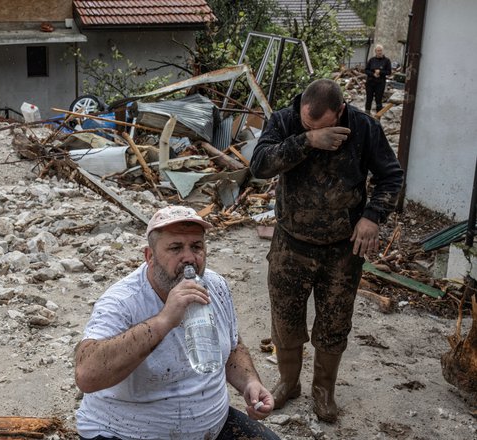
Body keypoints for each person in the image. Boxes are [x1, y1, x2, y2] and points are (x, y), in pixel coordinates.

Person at [249, 79, 404, 423]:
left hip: (342, 250)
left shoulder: (363, 128)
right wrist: (306, 140)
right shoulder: (286, 121)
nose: (313, 129)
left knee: (334, 324)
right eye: (307, 123)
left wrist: (372, 217)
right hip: (291, 243)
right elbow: (258, 166)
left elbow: (391, 177)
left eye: (322, 126)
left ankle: (323, 392)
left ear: (341, 111)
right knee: (286, 320)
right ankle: (289, 383)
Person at [74, 205, 280, 440]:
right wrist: (163, 321)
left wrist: (250, 383)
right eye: (175, 248)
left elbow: (233, 346)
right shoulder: (123, 300)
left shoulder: (215, 285)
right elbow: (86, 376)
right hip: (126, 433)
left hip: (212, 427)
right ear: (149, 257)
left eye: (196, 246)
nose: (189, 258)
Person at [365, 44, 392, 114]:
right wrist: (373, 74)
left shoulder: (387, 60)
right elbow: (366, 70)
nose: (379, 52)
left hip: (380, 83)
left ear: (383, 51)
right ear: (375, 51)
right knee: (369, 99)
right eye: (378, 51)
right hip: (370, 83)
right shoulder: (371, 60)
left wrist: (380, 72)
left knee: (378, 100)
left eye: (381, 50)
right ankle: (367, 113)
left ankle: (378, 115)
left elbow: (389, 72)